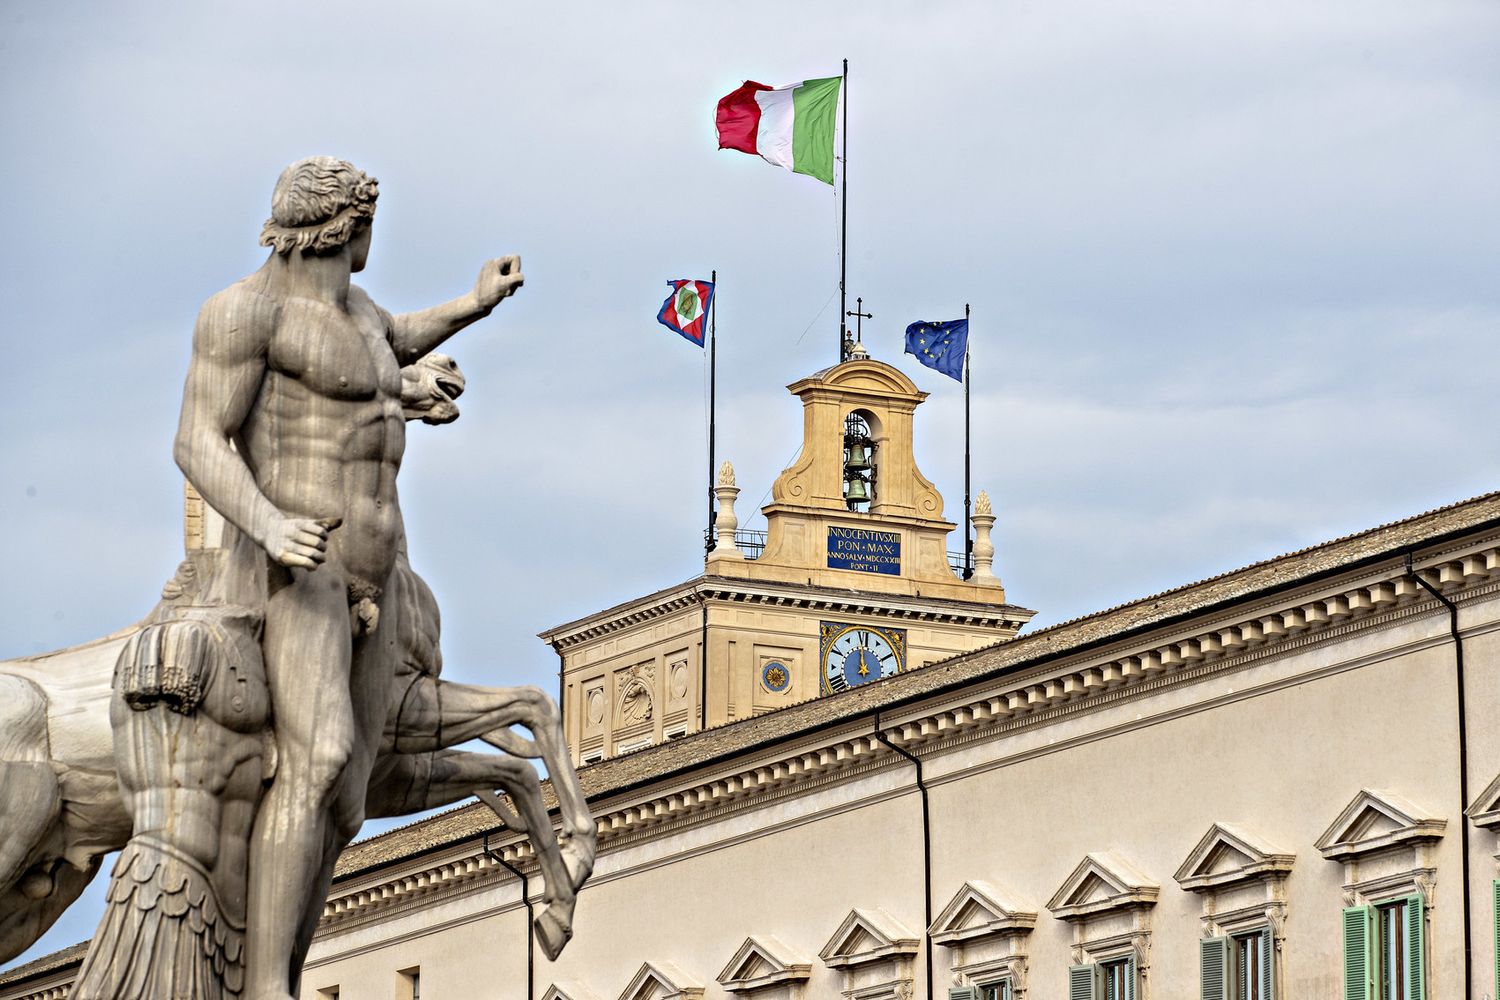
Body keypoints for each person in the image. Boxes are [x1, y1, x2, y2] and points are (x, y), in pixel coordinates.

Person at [172, 156, 522, 1000]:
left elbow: (396, 341)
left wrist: (472, 305)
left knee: (350, 797)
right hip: (302, 566)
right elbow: (197, 440)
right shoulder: (243, 312)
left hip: (377, 571)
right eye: (370, 224)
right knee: (320, 757)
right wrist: (268, 525)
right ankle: (266, 988)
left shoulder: (360, 312)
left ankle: (282, 972)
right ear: (349, 227)